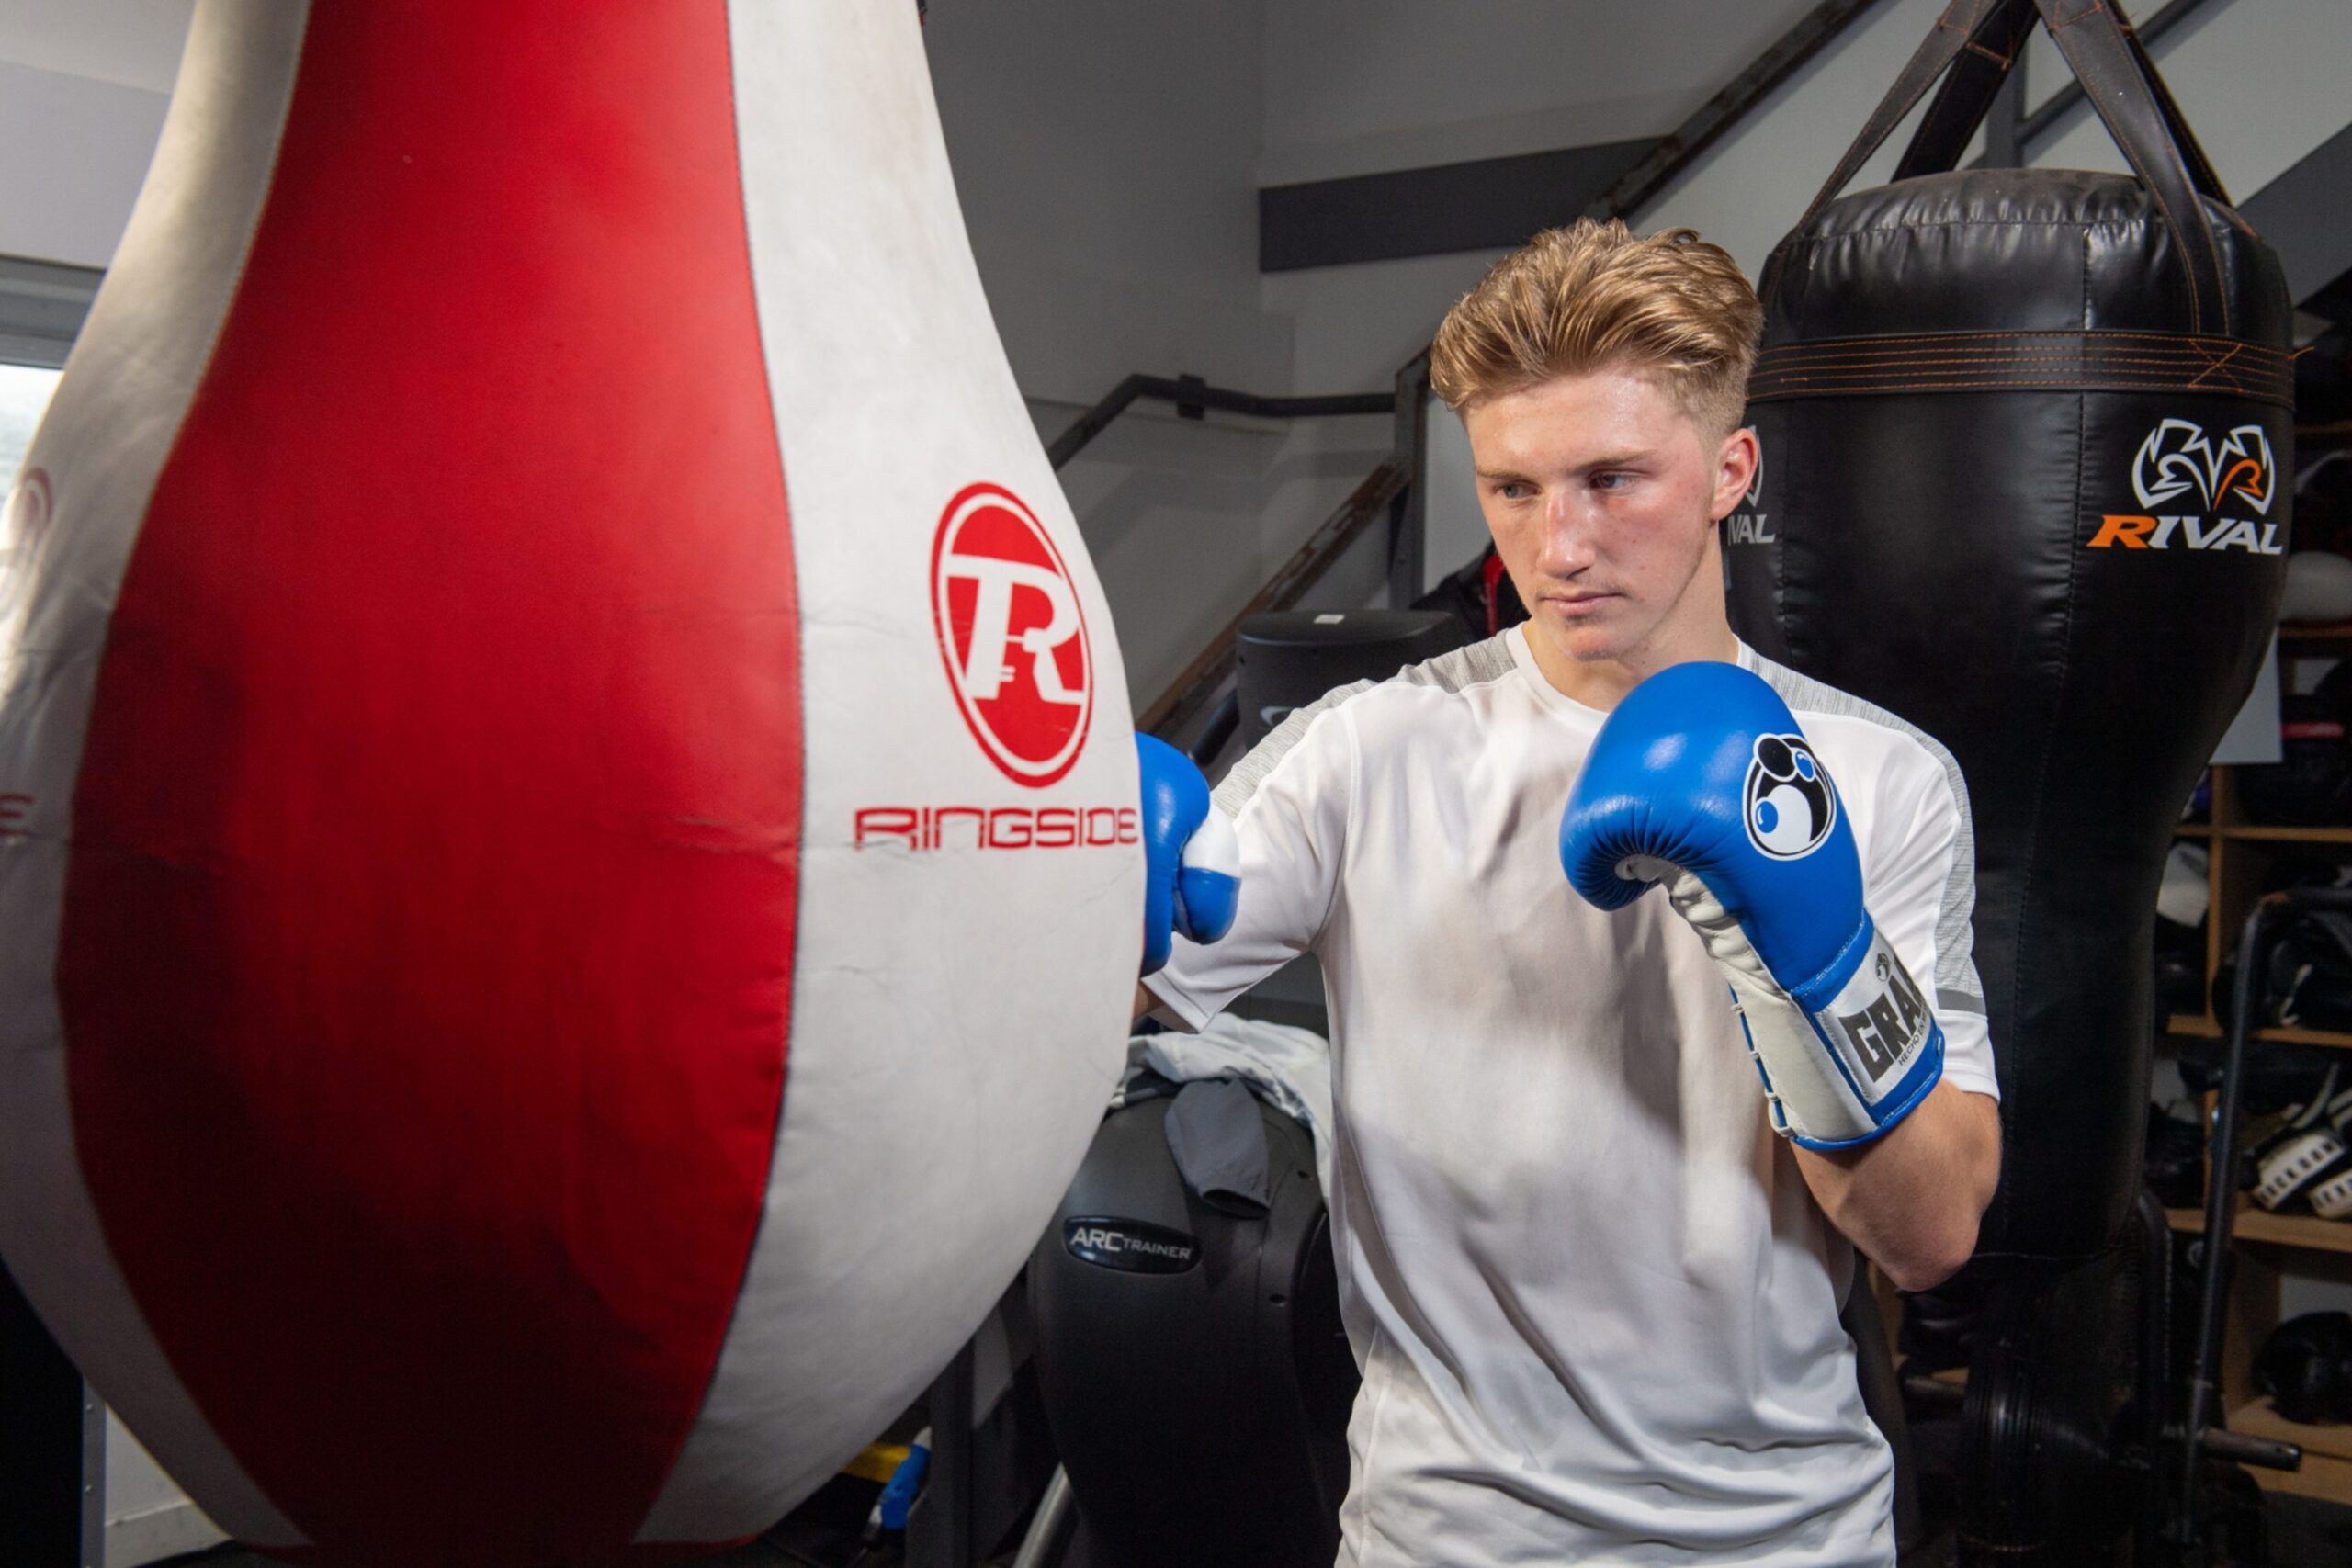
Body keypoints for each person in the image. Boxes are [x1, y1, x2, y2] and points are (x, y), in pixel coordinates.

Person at [1131, 220, 2001, 1566]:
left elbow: (1933, 1232)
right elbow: (1110, 1004)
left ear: (1730, 471)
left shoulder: (1878, 778)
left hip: (1781, 1538)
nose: (1561, 544)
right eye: (1514, 489)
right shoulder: (1371, 751)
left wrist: (1803, 951)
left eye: (1612, 479)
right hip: (1445, 1535)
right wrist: (1059, 883)